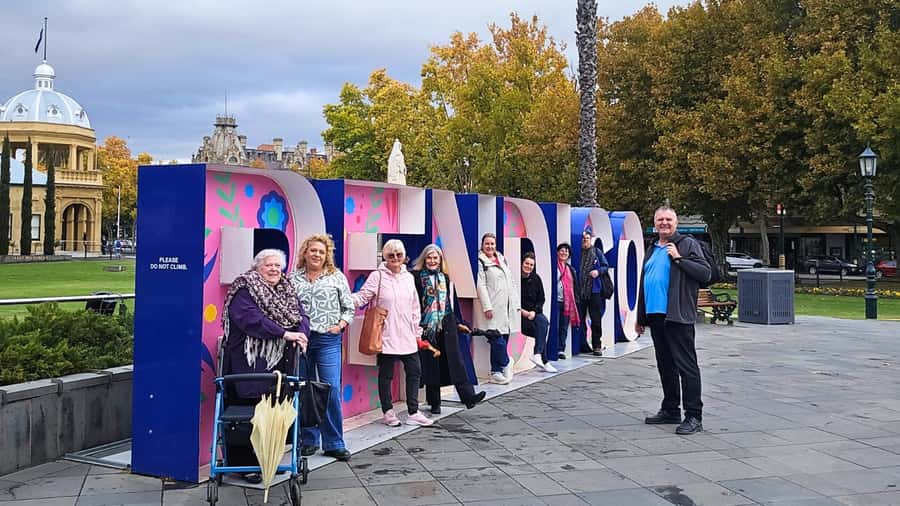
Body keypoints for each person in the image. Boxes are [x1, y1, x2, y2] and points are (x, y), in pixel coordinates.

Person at [221, 248, 310, 482]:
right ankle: (244, 466)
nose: (274, 270)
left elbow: (301, 316)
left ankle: (267, 460)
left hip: (279, 365)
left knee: (272, 413)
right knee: (247, 416)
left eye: (277, 266)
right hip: (249, 365)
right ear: (257, 268)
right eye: (268, 265)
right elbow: (251, 320)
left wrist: (301, 334)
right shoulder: (244, 288)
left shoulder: (286, 289)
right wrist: (284, 333)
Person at [636, 206, 711, 435]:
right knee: (665, 366)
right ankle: (670, 409)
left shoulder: (687, 244)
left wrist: (678, 259)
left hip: (678, 316)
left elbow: (705, 274)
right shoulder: (651, 247)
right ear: (654, 222)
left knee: (686, 367)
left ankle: (694, 416)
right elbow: (645, 282)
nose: (664, 223)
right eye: (660, 220)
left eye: (668, 219)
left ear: (675, 222)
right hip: (656, 316)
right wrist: (640, 317)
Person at [352, 239, 434, 427]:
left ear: (404, 256)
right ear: (385, 257)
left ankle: (413, 411)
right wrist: (341, 297)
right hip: (386, 333)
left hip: (407, 333)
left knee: (415, 370)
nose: (395, 258)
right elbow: (362, 296)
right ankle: (388, 411)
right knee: (386, 373)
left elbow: (415, 306)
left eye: (399, 254)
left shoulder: (409, 277)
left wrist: (417, 332)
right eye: (391, 255)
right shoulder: (377, 276)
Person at [289, 234, 355, 461]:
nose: (317, 254)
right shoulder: (293, 278)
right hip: (301, 341)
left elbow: (349, 308)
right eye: (312, 250)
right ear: (305, 253)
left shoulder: (336, 277)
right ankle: (308, 439)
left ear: (327, 255)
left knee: (330, 389)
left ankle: (334, 442)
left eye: (321, 251)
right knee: (304, 388)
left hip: (328, 339)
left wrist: (340, 326)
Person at [411, 244, 487, 414]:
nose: (432, 261)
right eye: (429, 258)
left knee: (456, 361)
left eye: (435, 258)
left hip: (447, 322)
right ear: (424, 259)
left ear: (440, 260)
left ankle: (468, 397)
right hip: (426, 326)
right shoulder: (416, 277)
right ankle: (435, 402)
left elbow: (448, 303)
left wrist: (458, 322)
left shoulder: (444, 278)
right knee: (432, 364)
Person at [474, 233, 520, 385]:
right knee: (495, 338)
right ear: (482, 245)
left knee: (503, 337)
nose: (490, 247)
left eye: (492, 244)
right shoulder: (481, 261)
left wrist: (516, 301)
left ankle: (496, 371)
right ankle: (507, 362)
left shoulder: (501, 258)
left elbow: (511, 281)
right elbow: (480, 285)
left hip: (506, 306)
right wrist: (487, 306)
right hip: (493, 306)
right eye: (487, 244)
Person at [520, 252, 557, 373]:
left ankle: (537, 354)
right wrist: (525, 313)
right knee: (541, 329)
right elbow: (513, 301)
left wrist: (534, 312)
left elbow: (541, 299)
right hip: (519, 314)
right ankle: (544, 360)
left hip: (534, 313)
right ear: (521, 263)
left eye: (531, 265)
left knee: (544, 322)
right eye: (526, 263)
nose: (528, 266)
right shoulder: (515, 278)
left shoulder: (536, 278)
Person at [576, 229, 609, 356]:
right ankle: (583, 344)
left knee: (596, 319)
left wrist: (598, 272)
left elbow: (605, 266)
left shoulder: (596, 252)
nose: (585, 240)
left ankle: (597, 346)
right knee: (580, 319)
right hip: (580, 292)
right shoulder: (577, 253)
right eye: (583, 238)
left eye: (587, 238)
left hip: (594, 291)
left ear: (591, 240)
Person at [555, 243, 580, 359]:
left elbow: (574, 286)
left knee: (564, 327)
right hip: (555, 301)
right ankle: (552, 348)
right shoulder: (553, 266)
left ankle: (561, 349)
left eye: (566, 251)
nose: (564, 253)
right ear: (557, 252)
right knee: (555, 325)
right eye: (561, 250)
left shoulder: (570, 269)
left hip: (566, 302)